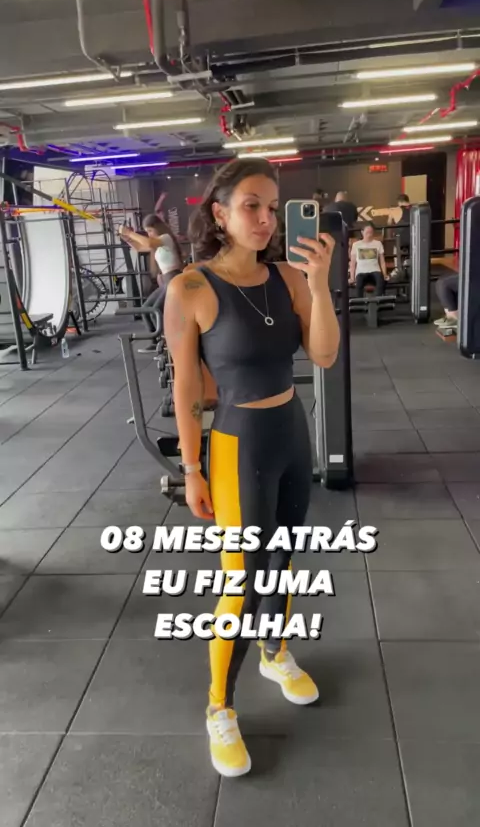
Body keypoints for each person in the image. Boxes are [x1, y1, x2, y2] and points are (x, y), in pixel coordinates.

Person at [164, 158, 340, 779]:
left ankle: (274, 651)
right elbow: (188, 387)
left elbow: (323, 354)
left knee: (284, 557)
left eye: (272, 207)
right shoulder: (190, 288)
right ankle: (219, 706)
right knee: (240, 581)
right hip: (238, 444)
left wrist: (320, 285)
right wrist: (191, 469)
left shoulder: (289, 276)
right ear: (220, 213)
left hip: (291, 433)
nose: (266, 219)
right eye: (251, 207)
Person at [119, 214, 184, 352]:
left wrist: (129, 232)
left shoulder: (165, 238)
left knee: (156, 310)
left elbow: (148, 243)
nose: (149, 234)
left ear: (158, 228)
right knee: (146, 308)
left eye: (150, 230)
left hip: (174, 279)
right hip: (167, 281)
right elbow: (140, 248)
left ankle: (166, 341)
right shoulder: (157, 243)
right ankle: (155, 342)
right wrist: (128, 239)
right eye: (147, 231)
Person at [350, 223, 388, 297]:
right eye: (367, 232)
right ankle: (359, 302)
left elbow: (382, 261)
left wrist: (385, 274)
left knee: (381, 280)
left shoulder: (378, 244)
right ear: (362, 232)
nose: (369, 235)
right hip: (361, 271)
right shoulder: (356, 245)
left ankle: (377, 300)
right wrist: (352, 277)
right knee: (358, 284)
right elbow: (353, 263)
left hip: (375, 270)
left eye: (371, 232)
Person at [388, 194, 411, 280]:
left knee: (396, 248)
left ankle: (397, 268)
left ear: (399, 202)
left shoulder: (395, 210)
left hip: (401, 240)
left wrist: (391, 215)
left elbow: (389, 223)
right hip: (414, 238)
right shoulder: (415, 209)